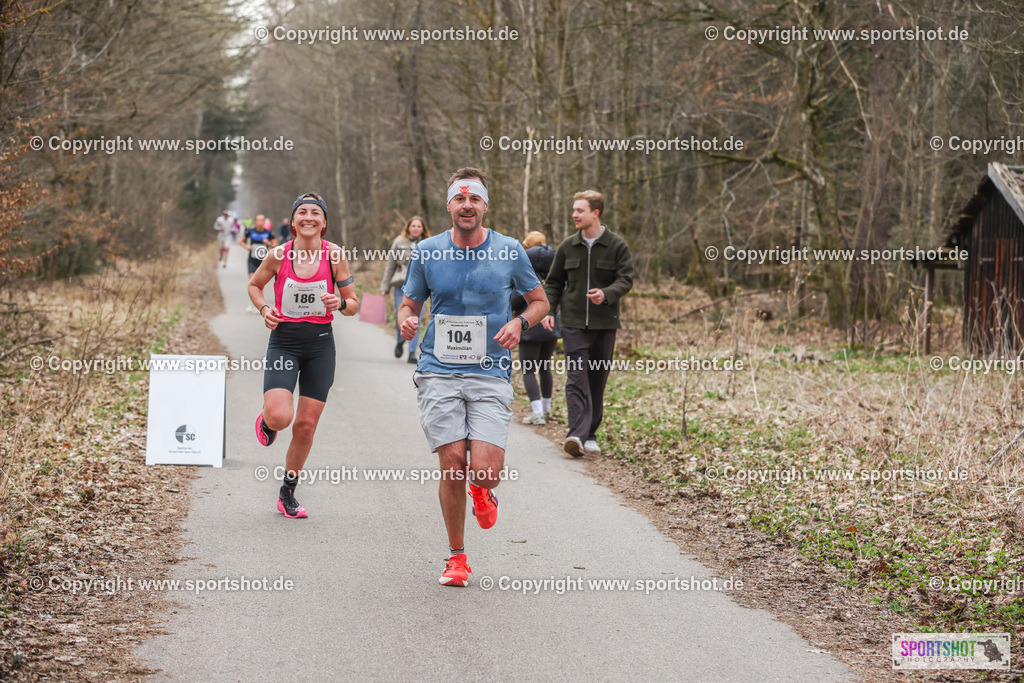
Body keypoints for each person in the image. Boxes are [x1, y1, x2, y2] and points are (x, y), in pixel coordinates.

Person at [398, 167, 548, 587]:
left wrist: (520, 323)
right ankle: (457, 557)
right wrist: (407, 320)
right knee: (452, 463)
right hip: (438, 370)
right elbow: (408, 305)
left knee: (483, 470)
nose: (467, 206)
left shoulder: (509, 250)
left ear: (484, 205)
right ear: (449, 206)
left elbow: (539, 301)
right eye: (459, 200)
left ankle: (482, 489)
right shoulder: (427, 251)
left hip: (489, 371)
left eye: (474, 200)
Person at [247, 193, 358, 518]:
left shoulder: (334, 255)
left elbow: (353, 304)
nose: (308, 217)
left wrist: (340, 304)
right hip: (284, 342)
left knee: (306, 426)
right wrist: (265, 308)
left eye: (315, 213)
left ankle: (288, 492)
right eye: (302, 213)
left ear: (323, 223)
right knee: (282, 418)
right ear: (293, 221)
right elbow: (255, 286)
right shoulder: (279, 255)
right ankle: (268, 417)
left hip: (320, 345)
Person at [542, 190, 633, 458]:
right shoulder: (568, 246)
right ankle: (576, 435)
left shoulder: (617, 246)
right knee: (576, 377)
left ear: (596, 213)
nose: (574, 215)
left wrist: (607, 294)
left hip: (605, 323)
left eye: (579, 210)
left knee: (597, 378)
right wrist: (549, 309)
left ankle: (591, 434)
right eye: (573, 210)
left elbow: (626, 279)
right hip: (572, 322)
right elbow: (555, 282)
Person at [512, 231, 559, 425]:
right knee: (545, 366)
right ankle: (547, 409)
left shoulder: (525, 275)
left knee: (529, 369)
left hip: (530, 328)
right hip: (551, 327)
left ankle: (537, 412)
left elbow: (514, 301)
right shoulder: (555, 276)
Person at [380, 215, 430, 364]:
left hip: (421, 287)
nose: (415, 228)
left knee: (416, 319)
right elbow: (390, 266)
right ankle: (400, 340)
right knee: (400, 315)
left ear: (423, 229)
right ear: (408, 227)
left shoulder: (429, 244)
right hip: (401, 285)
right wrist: (385, 287)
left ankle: (412, 353)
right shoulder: (398, 243)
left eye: (418, 226)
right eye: (413, 226)